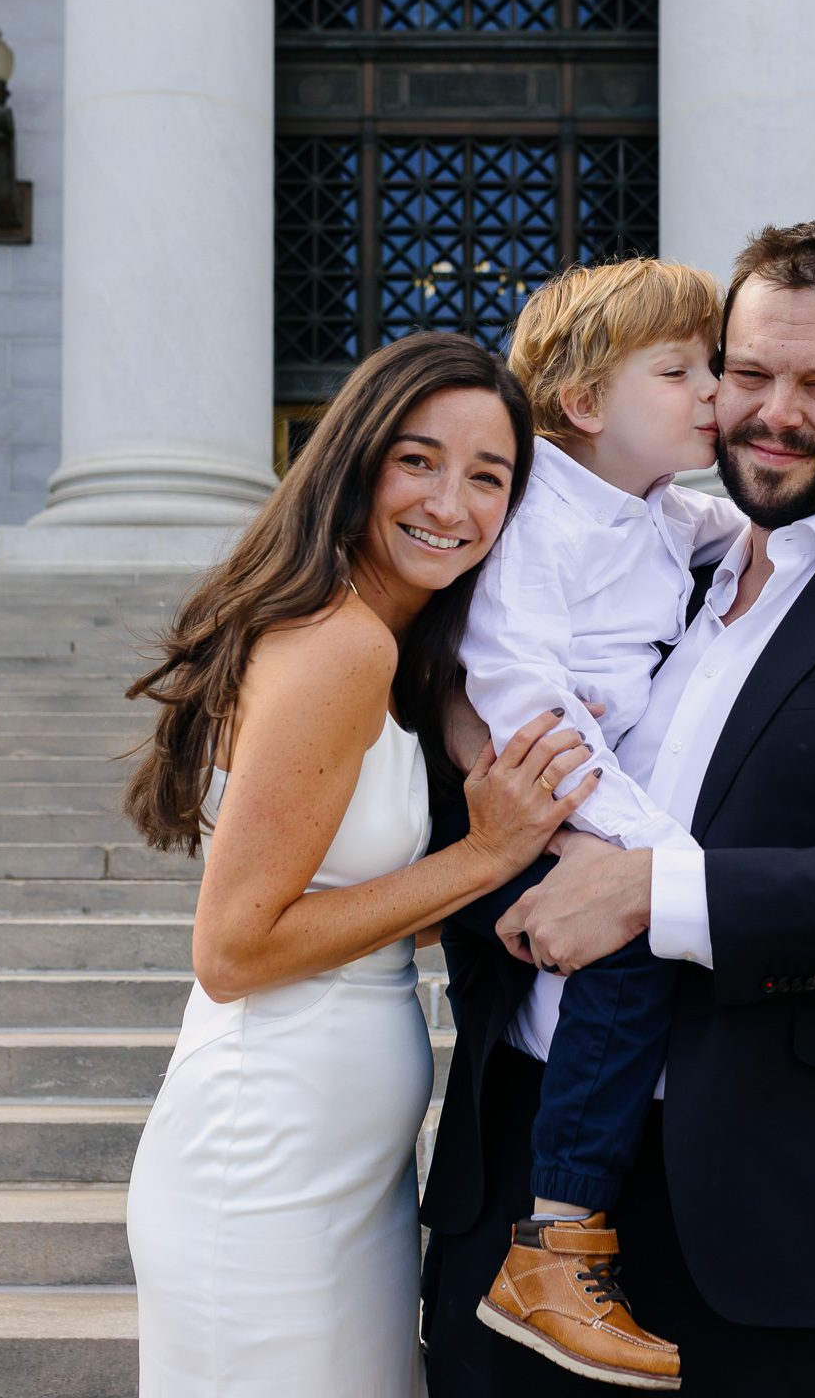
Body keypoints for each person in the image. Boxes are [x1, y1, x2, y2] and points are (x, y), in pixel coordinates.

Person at [421, 221, 815, 1398]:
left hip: (779, 1200)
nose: (768, 412)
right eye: (745, 371)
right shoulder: (652, 541)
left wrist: (651, 888)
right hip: (519, 1173)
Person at [123, 331, 600, 1398]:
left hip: (340, 1170)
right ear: (353, 458)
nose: (452, 502)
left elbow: (340, 903)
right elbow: (235, 947)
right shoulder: (342, 644)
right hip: (266, 1169)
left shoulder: (378, 646)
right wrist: (483, 853)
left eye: (490, 475)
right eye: (418, 459)